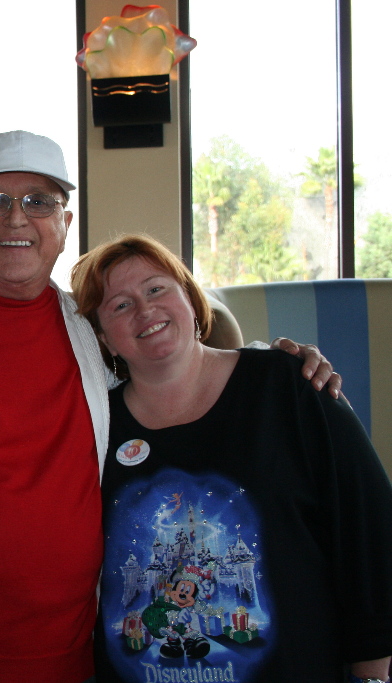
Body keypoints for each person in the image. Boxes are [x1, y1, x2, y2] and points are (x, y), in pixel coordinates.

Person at [0, 130, 340, 683]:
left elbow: (175, 370)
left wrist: (275, 365)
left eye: (39, 202)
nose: (17, 219)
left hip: (79, 664)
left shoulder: (92, 332)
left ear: (64, 226)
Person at [70, 234, 392, 682]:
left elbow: (370, 529)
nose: (145, 310)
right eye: (120, 305)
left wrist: (373, 674)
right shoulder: (93, 427)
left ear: (189, 295)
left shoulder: (289, 385)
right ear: (103, 337)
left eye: (156, 288)